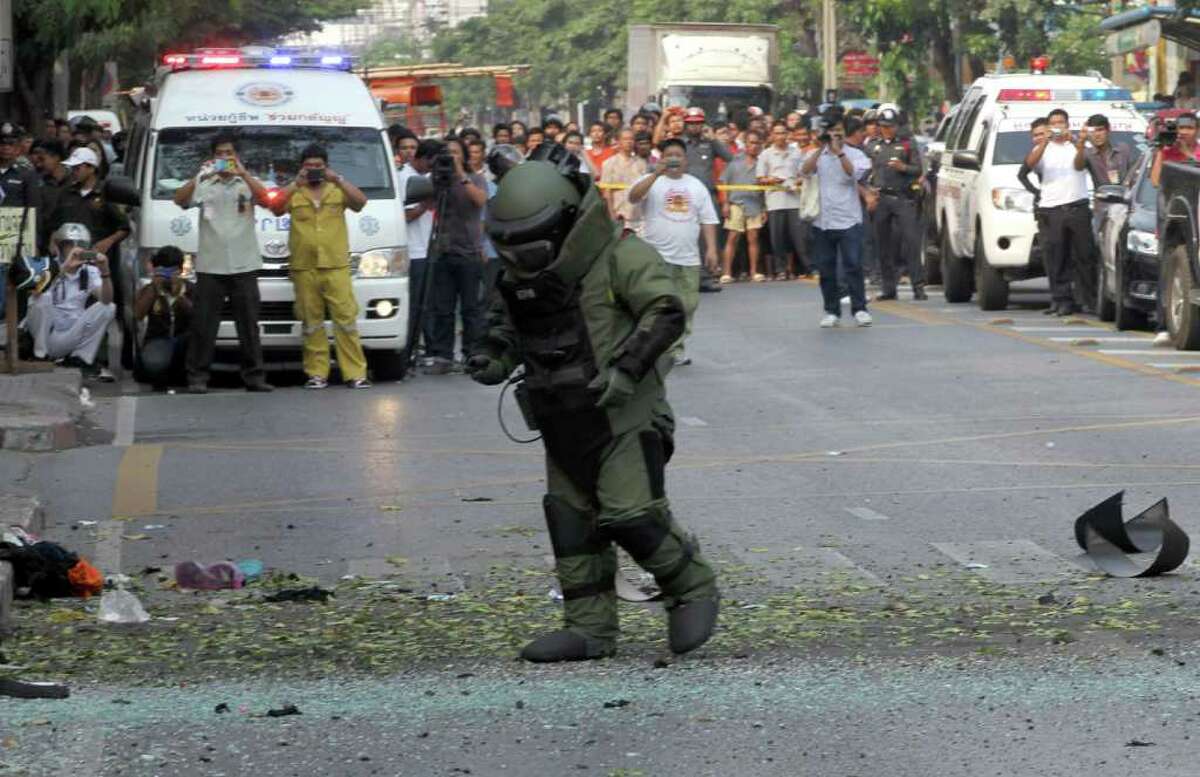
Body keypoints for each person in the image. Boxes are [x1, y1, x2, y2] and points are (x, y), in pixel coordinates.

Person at [465, 154, 719, 663]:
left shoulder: (620, 255)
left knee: (631, 516)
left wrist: (627, 368)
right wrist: (491, 355)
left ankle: (691, 586)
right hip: (560, 416)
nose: (522, 256)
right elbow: (507, 324)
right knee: (571, 522)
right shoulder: (519, 276)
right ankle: (589, 627)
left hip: (624, 416)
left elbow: (664, 310)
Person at [172, 133, 274, 393]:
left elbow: (267, 201)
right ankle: (197, 376)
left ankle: (254, 376)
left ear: (237, 156)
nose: (225, 158)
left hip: (244, 264)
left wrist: (244, 173)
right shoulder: (205, 182)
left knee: (249, 325)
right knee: (204, 325)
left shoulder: (246, 183)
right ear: (213, 156)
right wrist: (199, 176)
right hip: (210, 264)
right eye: (220, 154)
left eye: (229, 153)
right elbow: (180, 200)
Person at [268, 143, 372, 389]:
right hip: (304, 267)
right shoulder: (296, 191)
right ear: (302, 167)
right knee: (311, 322)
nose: (314, 170)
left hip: (335, 265)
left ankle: (355, 373)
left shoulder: (337, 189)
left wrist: (338, 179)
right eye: (309, 166)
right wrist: (297, 183)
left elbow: (360, 202)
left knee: (346, 320)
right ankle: (317, 373)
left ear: (327, 167)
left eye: (319, 166)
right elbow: (275, 208)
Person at [628, 138, 720, 366]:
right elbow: (633, 197)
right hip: (657, 256)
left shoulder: (696, 186)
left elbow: (708, 219)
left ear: (686, 160)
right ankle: (650, 347)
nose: (674, 159)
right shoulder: (651, 181)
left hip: (688, 258)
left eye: (678, 155)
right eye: (669, 155)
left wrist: (711, 249)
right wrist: (654, 175)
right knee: (657, 304)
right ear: (661, 158)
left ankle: (676, 348)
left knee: (687, 305)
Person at [800, 118, 873, 328]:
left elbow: (854, 174)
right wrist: (821, 148)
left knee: (853, 265)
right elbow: (804, 171)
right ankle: (831, 310)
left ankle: (860, 309)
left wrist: (840, 152)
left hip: (849, 219)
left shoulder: (856, 155)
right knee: (826, 269)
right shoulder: (817, 155)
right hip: (823, 221)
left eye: (839, 132)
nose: (835, 136)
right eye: (832, 132)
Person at [425, 137, 488, 375]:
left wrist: (461, 173)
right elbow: (426, 198)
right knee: (443, 307)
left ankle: (472, 354)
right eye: (447, 153)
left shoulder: (475, 178)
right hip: (443, 251)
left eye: (455, 152)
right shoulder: (439, 178)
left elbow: (480, 201)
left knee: (472, 308)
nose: (451, 157)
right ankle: (443, 355)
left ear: (463, 155)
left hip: (469, 251)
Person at [1024, 108, 1095, 316]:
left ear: (1067, 124)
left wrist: (1078, 142)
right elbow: (1030, 165)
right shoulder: (1042, 148)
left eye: (1061, 122)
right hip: (1052, 209)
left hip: (1077, 205)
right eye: (1053, 123)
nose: (1057, 126)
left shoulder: (1076, 144)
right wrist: (1044, 141)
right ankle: (1062, 299)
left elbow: (1081, 165)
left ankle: (1087, 299)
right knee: (1058, 257)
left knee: (1085, 255)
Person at [22, 223, 115, 372]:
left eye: (80, 245)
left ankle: (80, 358)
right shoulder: (47, 265)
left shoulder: (89, 271)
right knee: (42, 299)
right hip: (45, 333)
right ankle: (41, 355)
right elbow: (35, 293)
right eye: (69, 245)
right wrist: (65, 267)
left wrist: (105, 272)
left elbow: (106, 299)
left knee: (109, 307)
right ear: (59, 247)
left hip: (69, 334)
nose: (75, 249)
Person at [1150, 111, 1200, 345]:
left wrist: (1188, 153)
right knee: (1167, 273)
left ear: (1196, 131)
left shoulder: (1197, 151)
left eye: (1189, 129)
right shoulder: (1167, 152)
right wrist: (1161, 151)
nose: (1183, 133)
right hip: (1170, 223)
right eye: (1180, 129)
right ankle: (1163, 325)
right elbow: (1155, 180)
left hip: (1193, 225)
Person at [869, 107, 926, 301]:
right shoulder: (874, 146)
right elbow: (866, 171)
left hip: (903, 197)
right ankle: (888, 288)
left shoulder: (907, 144)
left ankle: (918, 287)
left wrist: (903, 167)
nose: (886, 130)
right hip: (881, 199)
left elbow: (918, 169)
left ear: (896, 126)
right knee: (883, 245)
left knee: (911, 242)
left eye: (890, 126)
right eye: (883, 126)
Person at [133, 246, 192, 391]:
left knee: (191, 337)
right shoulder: (149, 290)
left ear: (180, 270)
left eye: (171, 271)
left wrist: (178, 293)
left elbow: (195, 315)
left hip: (180, 345)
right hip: (157, 344)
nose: (167, 276)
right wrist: (155, 287)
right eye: (163, 271)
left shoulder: (190, 288)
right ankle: (159, 377)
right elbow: (138, 315)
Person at [756, 121, 808, 280]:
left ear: (788, 134)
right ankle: (780, 269)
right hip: (774, 201)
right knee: (777, 238)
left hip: (794, 200)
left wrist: (798, 182)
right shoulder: (766, 154)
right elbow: (759, 178)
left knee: (799, 236)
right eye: (777, 133)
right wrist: (771, 180)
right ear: (772, 135)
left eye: (783, 133)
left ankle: (808, 267)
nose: (780, 136)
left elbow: (803, 174)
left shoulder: (796, 152)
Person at [719, 130, 766, 283]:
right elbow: (725, 182)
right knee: (732, 237)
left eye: (757, 143)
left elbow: (765, 189)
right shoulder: (735, 162)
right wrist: (725, 203)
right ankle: (726, 273)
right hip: (735, 203)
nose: (754, 146)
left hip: (755, 204)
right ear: (745, 145)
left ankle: (754, 272)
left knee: (754, 238)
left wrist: (764, 208)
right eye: (751, 143)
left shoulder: (762, 164)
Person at [1083, 113, 1137, 238]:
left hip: (1125, 208)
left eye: (1100, 130)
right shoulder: (1087, 154)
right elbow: (1078, 164)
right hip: (1101, 210)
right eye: (1093, 131)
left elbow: (1135, 174)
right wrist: (1081, 140)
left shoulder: (1123, 150)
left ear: (1108, 130)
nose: (1097, 135)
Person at [600, 128, 648, 235]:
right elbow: (607, 194)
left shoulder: (641, 163)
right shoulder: (609, 164)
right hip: (619, 215)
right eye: (625, 139)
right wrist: (612, 216)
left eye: (631, 139)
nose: (629, 142)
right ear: (618, 142)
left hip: (638, 215)